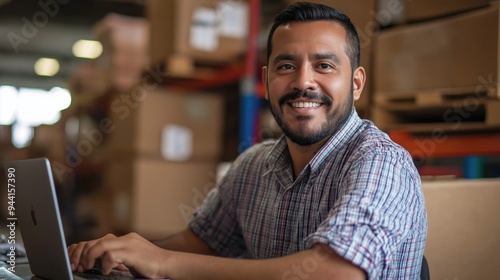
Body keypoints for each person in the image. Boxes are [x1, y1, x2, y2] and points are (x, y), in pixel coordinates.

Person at [68, 2, 427, 279]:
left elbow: (337, 273)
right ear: (268, 79)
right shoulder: (254, 165)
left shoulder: (380, 162)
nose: (304, 82)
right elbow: (201, 244)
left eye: (324, 65)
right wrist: (127, 253)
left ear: (357, 83)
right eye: (287, 66)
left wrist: (163, 262)